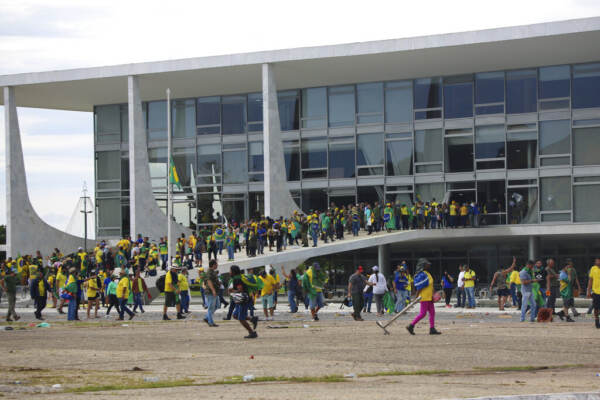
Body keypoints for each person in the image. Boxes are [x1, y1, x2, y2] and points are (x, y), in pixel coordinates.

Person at [406, 258, 441, 335]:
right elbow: (419, 287)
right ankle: (411, 326)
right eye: (427, 264)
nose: (429, 265)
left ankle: (432, 329)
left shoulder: (428, 274)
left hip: (429, 297)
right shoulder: (422, 274)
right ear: (423, 266)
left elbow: (431, 285)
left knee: (432, 312)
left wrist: (434, 293)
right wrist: (416, 296)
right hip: (424, 297)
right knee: (423, 313)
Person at [229, 265, 259, 339]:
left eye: (230, 271)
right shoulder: (240, 277)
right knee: (235, 315)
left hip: (243, 300)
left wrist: (232, 290)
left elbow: (240, 290)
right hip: (241, 300)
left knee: (241, 318)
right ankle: (252, 319)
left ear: (233, 271)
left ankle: (252, 332)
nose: (229, 272)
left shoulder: (237, 279)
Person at [204, 259, 219, 327]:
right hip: (210, 292)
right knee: (211, 307)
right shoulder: (209, 272)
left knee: (217, 305)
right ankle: (211, 322)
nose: (217, 265)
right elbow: (209, 281)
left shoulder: (213, 271)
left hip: (214, 291)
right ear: (213, 265)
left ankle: (207, 318)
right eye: (216, 264)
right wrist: (213, 290)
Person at [586, 258, 600, 329]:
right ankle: (597, 321)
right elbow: (590, 280)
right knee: (596, 308)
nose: (598, 262)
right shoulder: (593, 269)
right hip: (595, 292)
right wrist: (588, 291)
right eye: (597, 261)